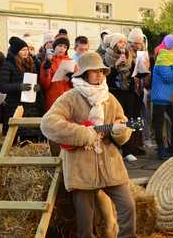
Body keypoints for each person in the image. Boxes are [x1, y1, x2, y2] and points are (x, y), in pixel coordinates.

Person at [40, 52, 136, 238]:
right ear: (84, 74)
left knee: (128, 206)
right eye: (94, 71)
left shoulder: (109, 98)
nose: (99, 75)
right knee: (85, 225)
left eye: (102, 71)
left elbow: (122, 124)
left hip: (110, 165)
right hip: (81, 167)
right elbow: (48, 123)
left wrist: (120, 131)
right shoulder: (70, 97)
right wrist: (83, 134)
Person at [104, 33, 145, 157]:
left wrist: (141, 69)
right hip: (114, 93)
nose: (123, 45)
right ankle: (115, 148)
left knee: (131, 120)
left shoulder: (129, 55)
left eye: (124, 42)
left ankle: (130, 149)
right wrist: (115, 65)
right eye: (120, 42)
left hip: (129, 92)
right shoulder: (106, 57)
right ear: (113, 44)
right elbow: (105, 77)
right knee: (116, 121)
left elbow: (135, 74)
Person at [0, 36, 42, 141]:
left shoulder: (31, 63)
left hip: (31, 106)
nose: (26, 52)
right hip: (15, 106)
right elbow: (3, 86)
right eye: (23, 50)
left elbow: (37, 81)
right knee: (12, 138)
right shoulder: (8, 64)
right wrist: (19, 86)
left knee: (29, 138)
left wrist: (37, 87)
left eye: (26, 49)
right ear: (16, 51)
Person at [40, 37, 74, 111]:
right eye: (60, 46)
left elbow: (76, 85)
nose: (62, 48)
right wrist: (47, 71)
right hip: (53, 99)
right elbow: (45, 85)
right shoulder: (48, 61)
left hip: (68, 99)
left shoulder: (71, 62)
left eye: (65, 47)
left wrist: (72, 78)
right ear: (54, 47)